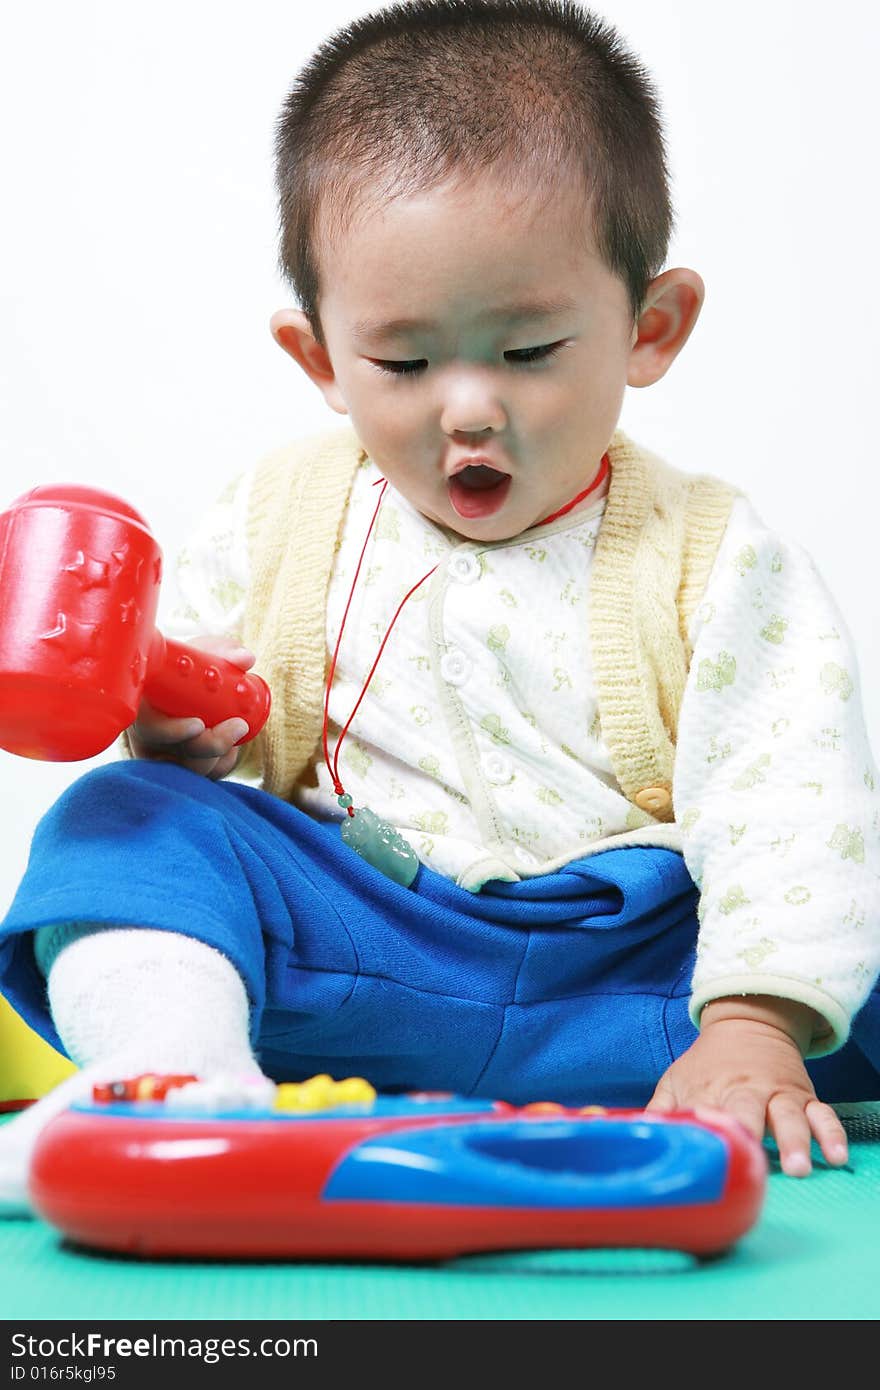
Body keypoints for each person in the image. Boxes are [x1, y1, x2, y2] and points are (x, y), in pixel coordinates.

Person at [1, 0, 879, 1215]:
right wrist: (179, 739)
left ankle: (746, 1056)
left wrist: (750, 1020)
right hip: (372, 950)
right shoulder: (272, 517)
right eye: (403, 365)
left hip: (638, 976)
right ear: (320, 358)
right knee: (125, 821)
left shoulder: (715, 557)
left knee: (833, 904)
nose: (466, 407)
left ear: (650, 326)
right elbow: (197, 714)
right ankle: (181, 1078)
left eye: (526, 351)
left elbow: (783, 801)